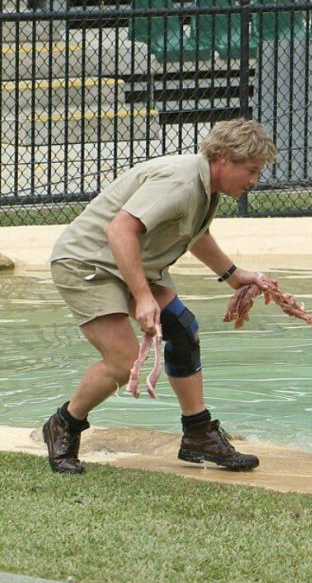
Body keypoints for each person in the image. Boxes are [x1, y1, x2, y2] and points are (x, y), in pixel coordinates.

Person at [41, 118, 278, 474]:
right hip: (87, 263)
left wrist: (233, 275)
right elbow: (119, 229)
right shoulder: (181, 181)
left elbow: (195, 235)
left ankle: (198, 434)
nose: (254, 181)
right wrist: (143, 296)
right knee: (122, 363)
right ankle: (64, 423)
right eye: (251, 170)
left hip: (126, 263)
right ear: (224, 158)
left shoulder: (205, 187)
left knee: (182, 329)